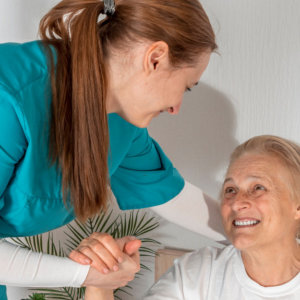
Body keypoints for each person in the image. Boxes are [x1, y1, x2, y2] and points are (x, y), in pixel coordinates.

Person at [0, 0, 226, 299]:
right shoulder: (10, 94)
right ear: (155, 58)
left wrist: (270, 232)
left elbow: (168, 194)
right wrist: (87, 274)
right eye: (186, 87)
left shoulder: (122, 121)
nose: (175, 108)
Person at [84, 135, 300, 299]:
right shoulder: (198, 272)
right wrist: (101, 281)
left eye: (258, 187)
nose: (236, 202)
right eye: (230, 190)